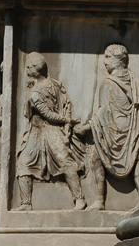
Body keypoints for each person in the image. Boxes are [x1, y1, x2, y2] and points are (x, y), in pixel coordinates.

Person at [75, 44, 139, 210]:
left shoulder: (108, 83)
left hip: (113, 129)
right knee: (135, 159)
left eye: (108, 57)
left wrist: (86, 128)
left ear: (117, 60)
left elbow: (103, 111)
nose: (105, 62)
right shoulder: (137, 81)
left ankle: (99, 201)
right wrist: (138, 121)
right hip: (132, 128)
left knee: (97, 159)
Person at [15, 52, 86, 211]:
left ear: (35, 70)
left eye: (28, 67)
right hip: (36, 132)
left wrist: (67, 121)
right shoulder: (55, 84)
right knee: (24, 163)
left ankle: (79, 199)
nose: (26, 70)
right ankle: (26, 203)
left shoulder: (36, 93)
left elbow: (47, 114)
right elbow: (66, 104)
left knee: (65, 161)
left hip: (49, 130)